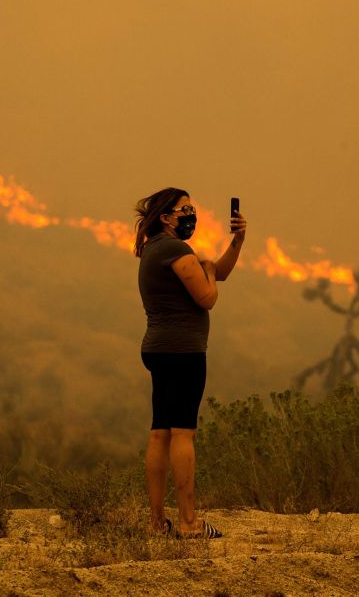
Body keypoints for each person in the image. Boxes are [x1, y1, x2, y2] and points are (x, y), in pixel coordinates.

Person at [134, 188, 246, 538]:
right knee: (183, 432)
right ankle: (188, 523)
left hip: (158, 348)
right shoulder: (176, 250)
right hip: (183, 353)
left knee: (160, 433)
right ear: (166, 217)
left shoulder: (154, 250)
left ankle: (156, 524)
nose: (191, 214)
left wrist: (237, 240)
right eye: (185, 209)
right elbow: (208, 295)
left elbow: (219, 271)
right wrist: (209, 272)